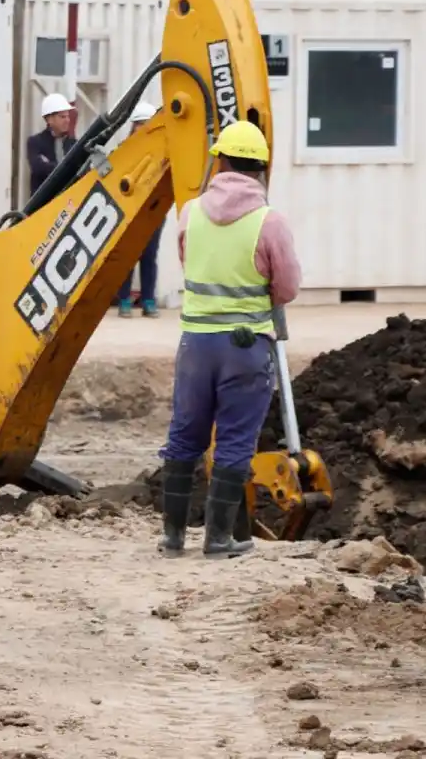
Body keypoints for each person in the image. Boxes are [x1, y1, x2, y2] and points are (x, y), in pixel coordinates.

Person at [156, 120, 302, 558]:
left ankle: (173, 537)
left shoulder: (190, 213)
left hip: (196, 344)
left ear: (218, 160)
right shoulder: (269, 222)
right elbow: (287, 287)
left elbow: (188, 262)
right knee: (236, 440)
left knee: (185, 436)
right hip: (245, 346)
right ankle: (219, 539)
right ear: (261, 168)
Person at [115, 101, 162, 318]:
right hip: (128, 209)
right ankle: (124, 299)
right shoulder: (123, 150)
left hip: (153, 209)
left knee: (149, 255)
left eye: (147, 123)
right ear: (133, 126)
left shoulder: (161, 151)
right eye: (140, 123)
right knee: (127, 255)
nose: (143, 128)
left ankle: (148, 300)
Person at [26, 93, 77, 198]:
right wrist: (66, 168)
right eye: (62, 117)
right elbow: (38, 168)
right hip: (44, 203)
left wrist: (51, 165)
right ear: (49, 119)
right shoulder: (35, 142)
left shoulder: (73, 144)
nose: (67, 120)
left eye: (68, 116)